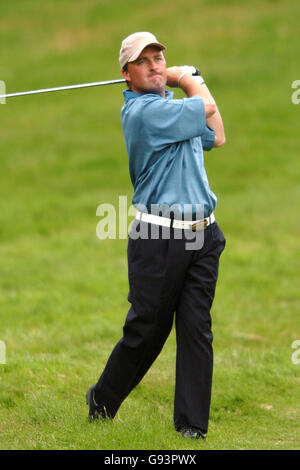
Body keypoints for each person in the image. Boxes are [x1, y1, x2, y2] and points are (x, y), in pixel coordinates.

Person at [86, 32, 226, 440]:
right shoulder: (144, 114)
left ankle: (192, 427)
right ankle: (103, 398)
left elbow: (216, 134)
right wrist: (188, 76)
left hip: (204, 236)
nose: (154, 65)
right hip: (159, 238)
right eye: (143, 61)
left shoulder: (170, 108)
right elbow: (208, 106)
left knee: (197, 329)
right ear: (126, 74)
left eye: (159, 58)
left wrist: (188, 81)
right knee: (147, 331)